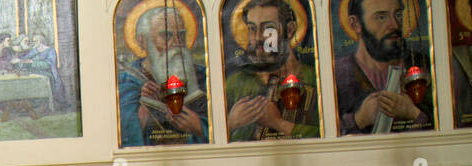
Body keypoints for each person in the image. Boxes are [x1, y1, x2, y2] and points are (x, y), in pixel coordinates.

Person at [334, 0, 433, 134]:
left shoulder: (424, 65)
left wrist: (414, 114)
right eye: (381, 17)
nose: (394, 25)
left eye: (398, 15)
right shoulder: (338, 74)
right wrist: (358, 120)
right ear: (355, 24)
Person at [225, 0, 319, 139]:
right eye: (252, 28)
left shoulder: (313, 79)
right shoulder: (236, 83)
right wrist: (231, 123)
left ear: (290, 29)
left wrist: (278, 123)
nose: (258, 38)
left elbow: (327, 132)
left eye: (268, 28)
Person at [117, 5, 209, 146]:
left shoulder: (202, 75)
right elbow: (123, 137)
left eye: (181, 36)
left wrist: (199, 127)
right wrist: (146, 108)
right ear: (142, 40)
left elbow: (224, 127)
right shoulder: (126, 82)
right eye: (166, 35)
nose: (176, 43)